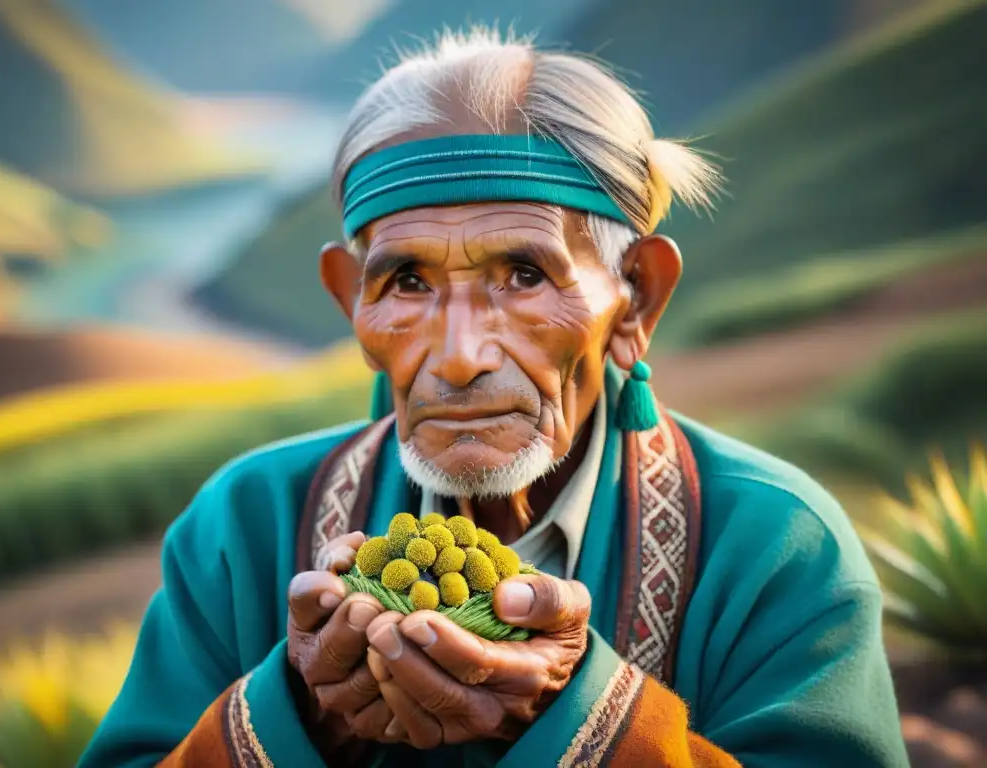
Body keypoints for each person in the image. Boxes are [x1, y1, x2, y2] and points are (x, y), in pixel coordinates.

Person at [79, 27, 908, 768]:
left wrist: (576, 722)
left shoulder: (773, 547)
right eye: (406, 281)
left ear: (638, 297)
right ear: (351, 304)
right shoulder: (244, 527)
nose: (462, 356)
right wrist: (303, 716)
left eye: (523, 274)